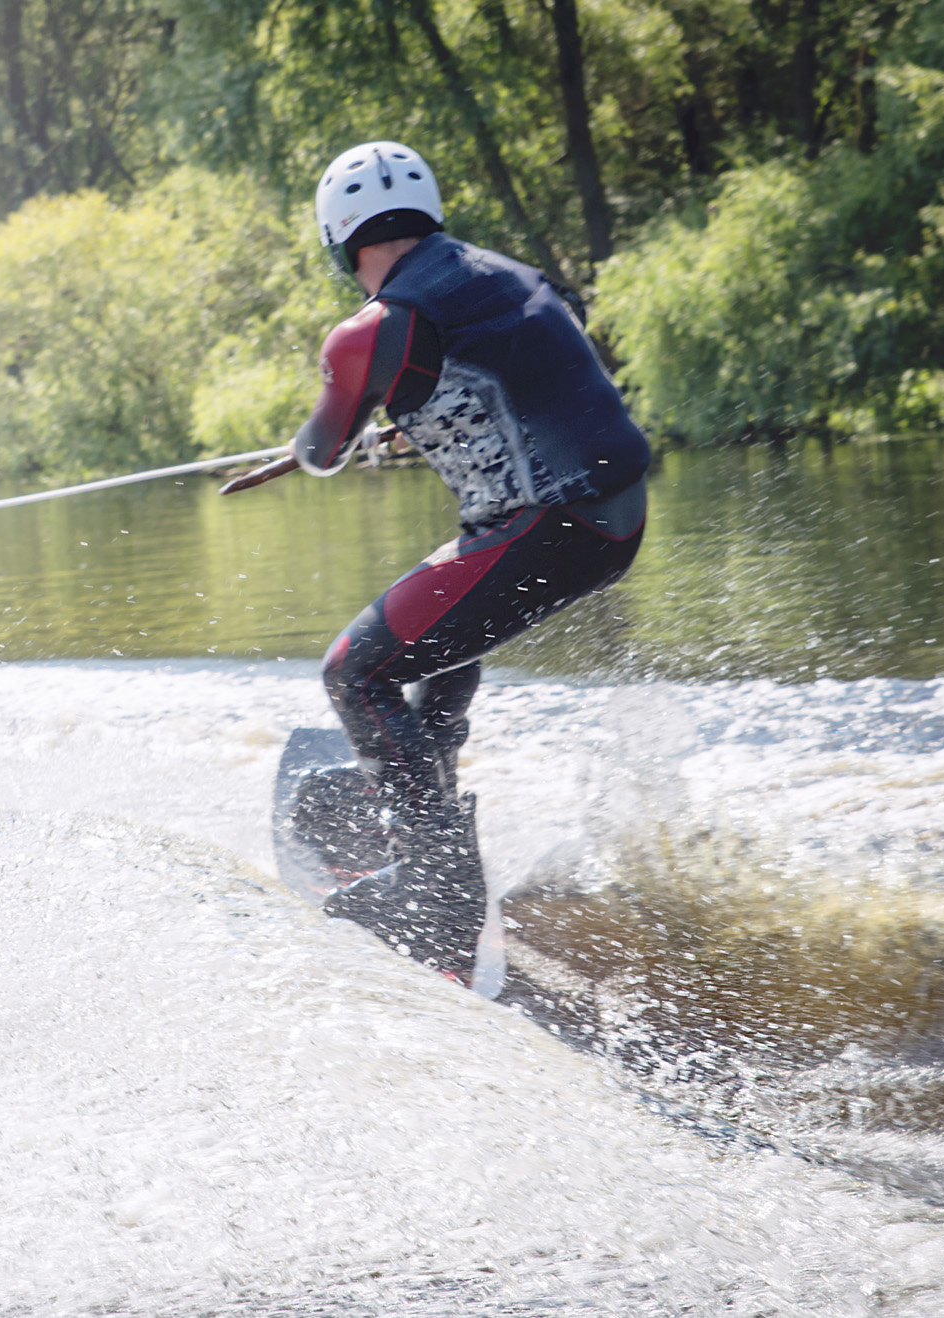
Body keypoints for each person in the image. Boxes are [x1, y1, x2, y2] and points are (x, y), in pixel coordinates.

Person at [287, 140, 651, 978]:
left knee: (354, 672)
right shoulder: (503, 274)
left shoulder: (369, 332)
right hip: (610, 518)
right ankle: (428, 806)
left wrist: (310, 446)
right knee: (442, 626)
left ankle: (436, 881)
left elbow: (321, 449)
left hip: (552, 523)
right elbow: (520, 378)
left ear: (341, 241)